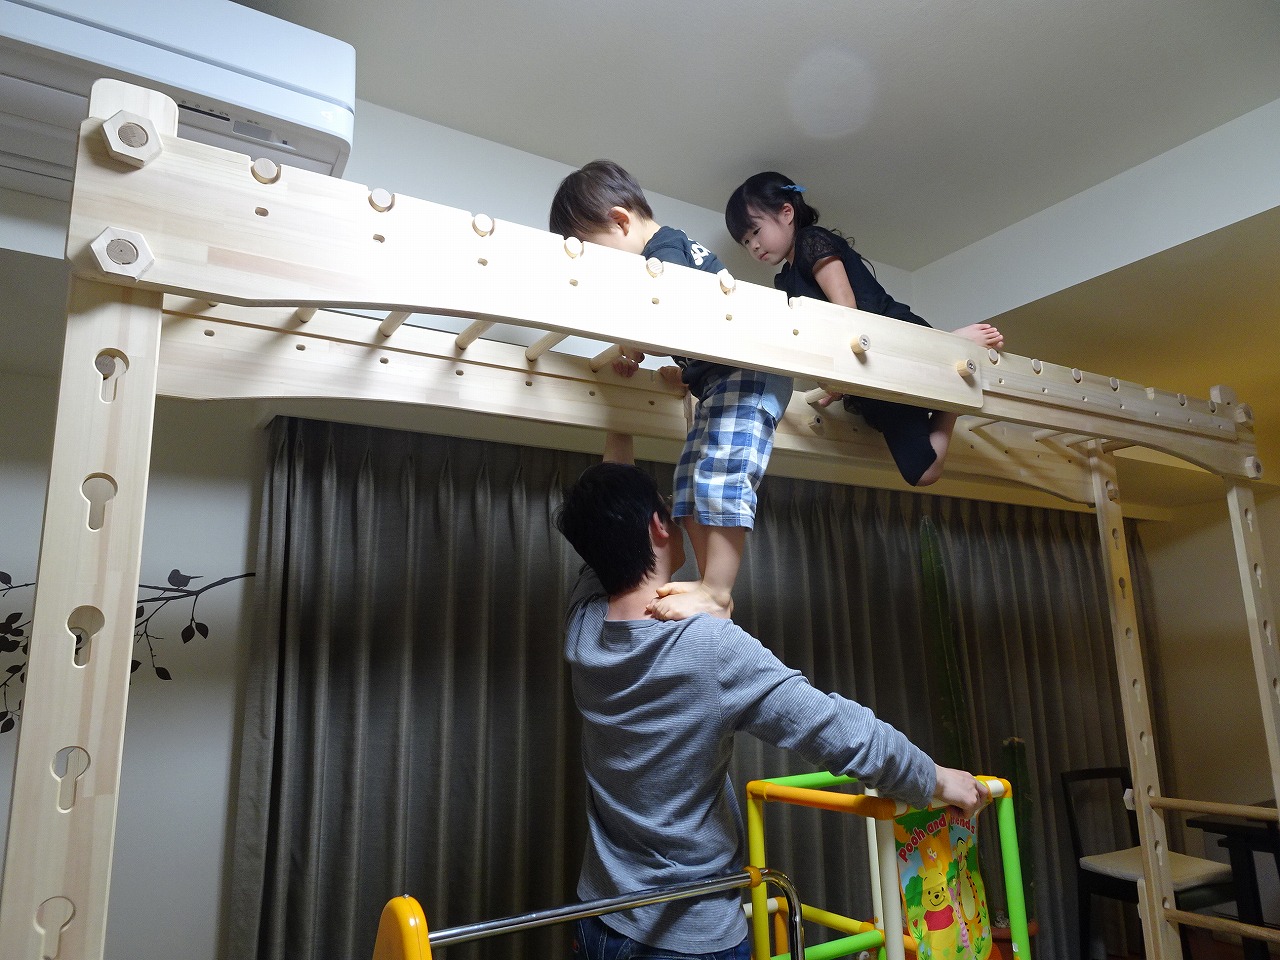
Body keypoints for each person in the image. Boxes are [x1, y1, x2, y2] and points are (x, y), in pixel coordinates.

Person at [554, 432, 989, 960]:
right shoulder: (708, 646)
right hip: (686, 937)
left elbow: (601, 541)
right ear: (657, 526)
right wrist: (936, 778)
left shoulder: (582, 626)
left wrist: (620, 430)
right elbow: (836, 729)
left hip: (598, 918)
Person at [551, 160, 792, 622]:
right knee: (689, 485)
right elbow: (700, 332)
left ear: (620, 222)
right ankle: (708, 585)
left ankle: (717, 590)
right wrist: (685, 373)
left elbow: (671, 322)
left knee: (722, 474)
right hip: (721, 375)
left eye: (596, 253)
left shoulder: (663, 254)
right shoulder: (668, 255)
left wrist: (634, 342)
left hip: (750, 372)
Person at [725, 172, 1005, 487]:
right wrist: (831, 379)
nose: (754, 245)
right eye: (745, 242)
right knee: (923, 473)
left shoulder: (811, 241)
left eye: (756, 231)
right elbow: (815, 336)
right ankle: (953, 400)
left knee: (908, 376)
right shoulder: (785, 280)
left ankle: (952, 347)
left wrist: (838, 377)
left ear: (787, 213)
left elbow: (846, 310)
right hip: (866, 374)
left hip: (886, 341)